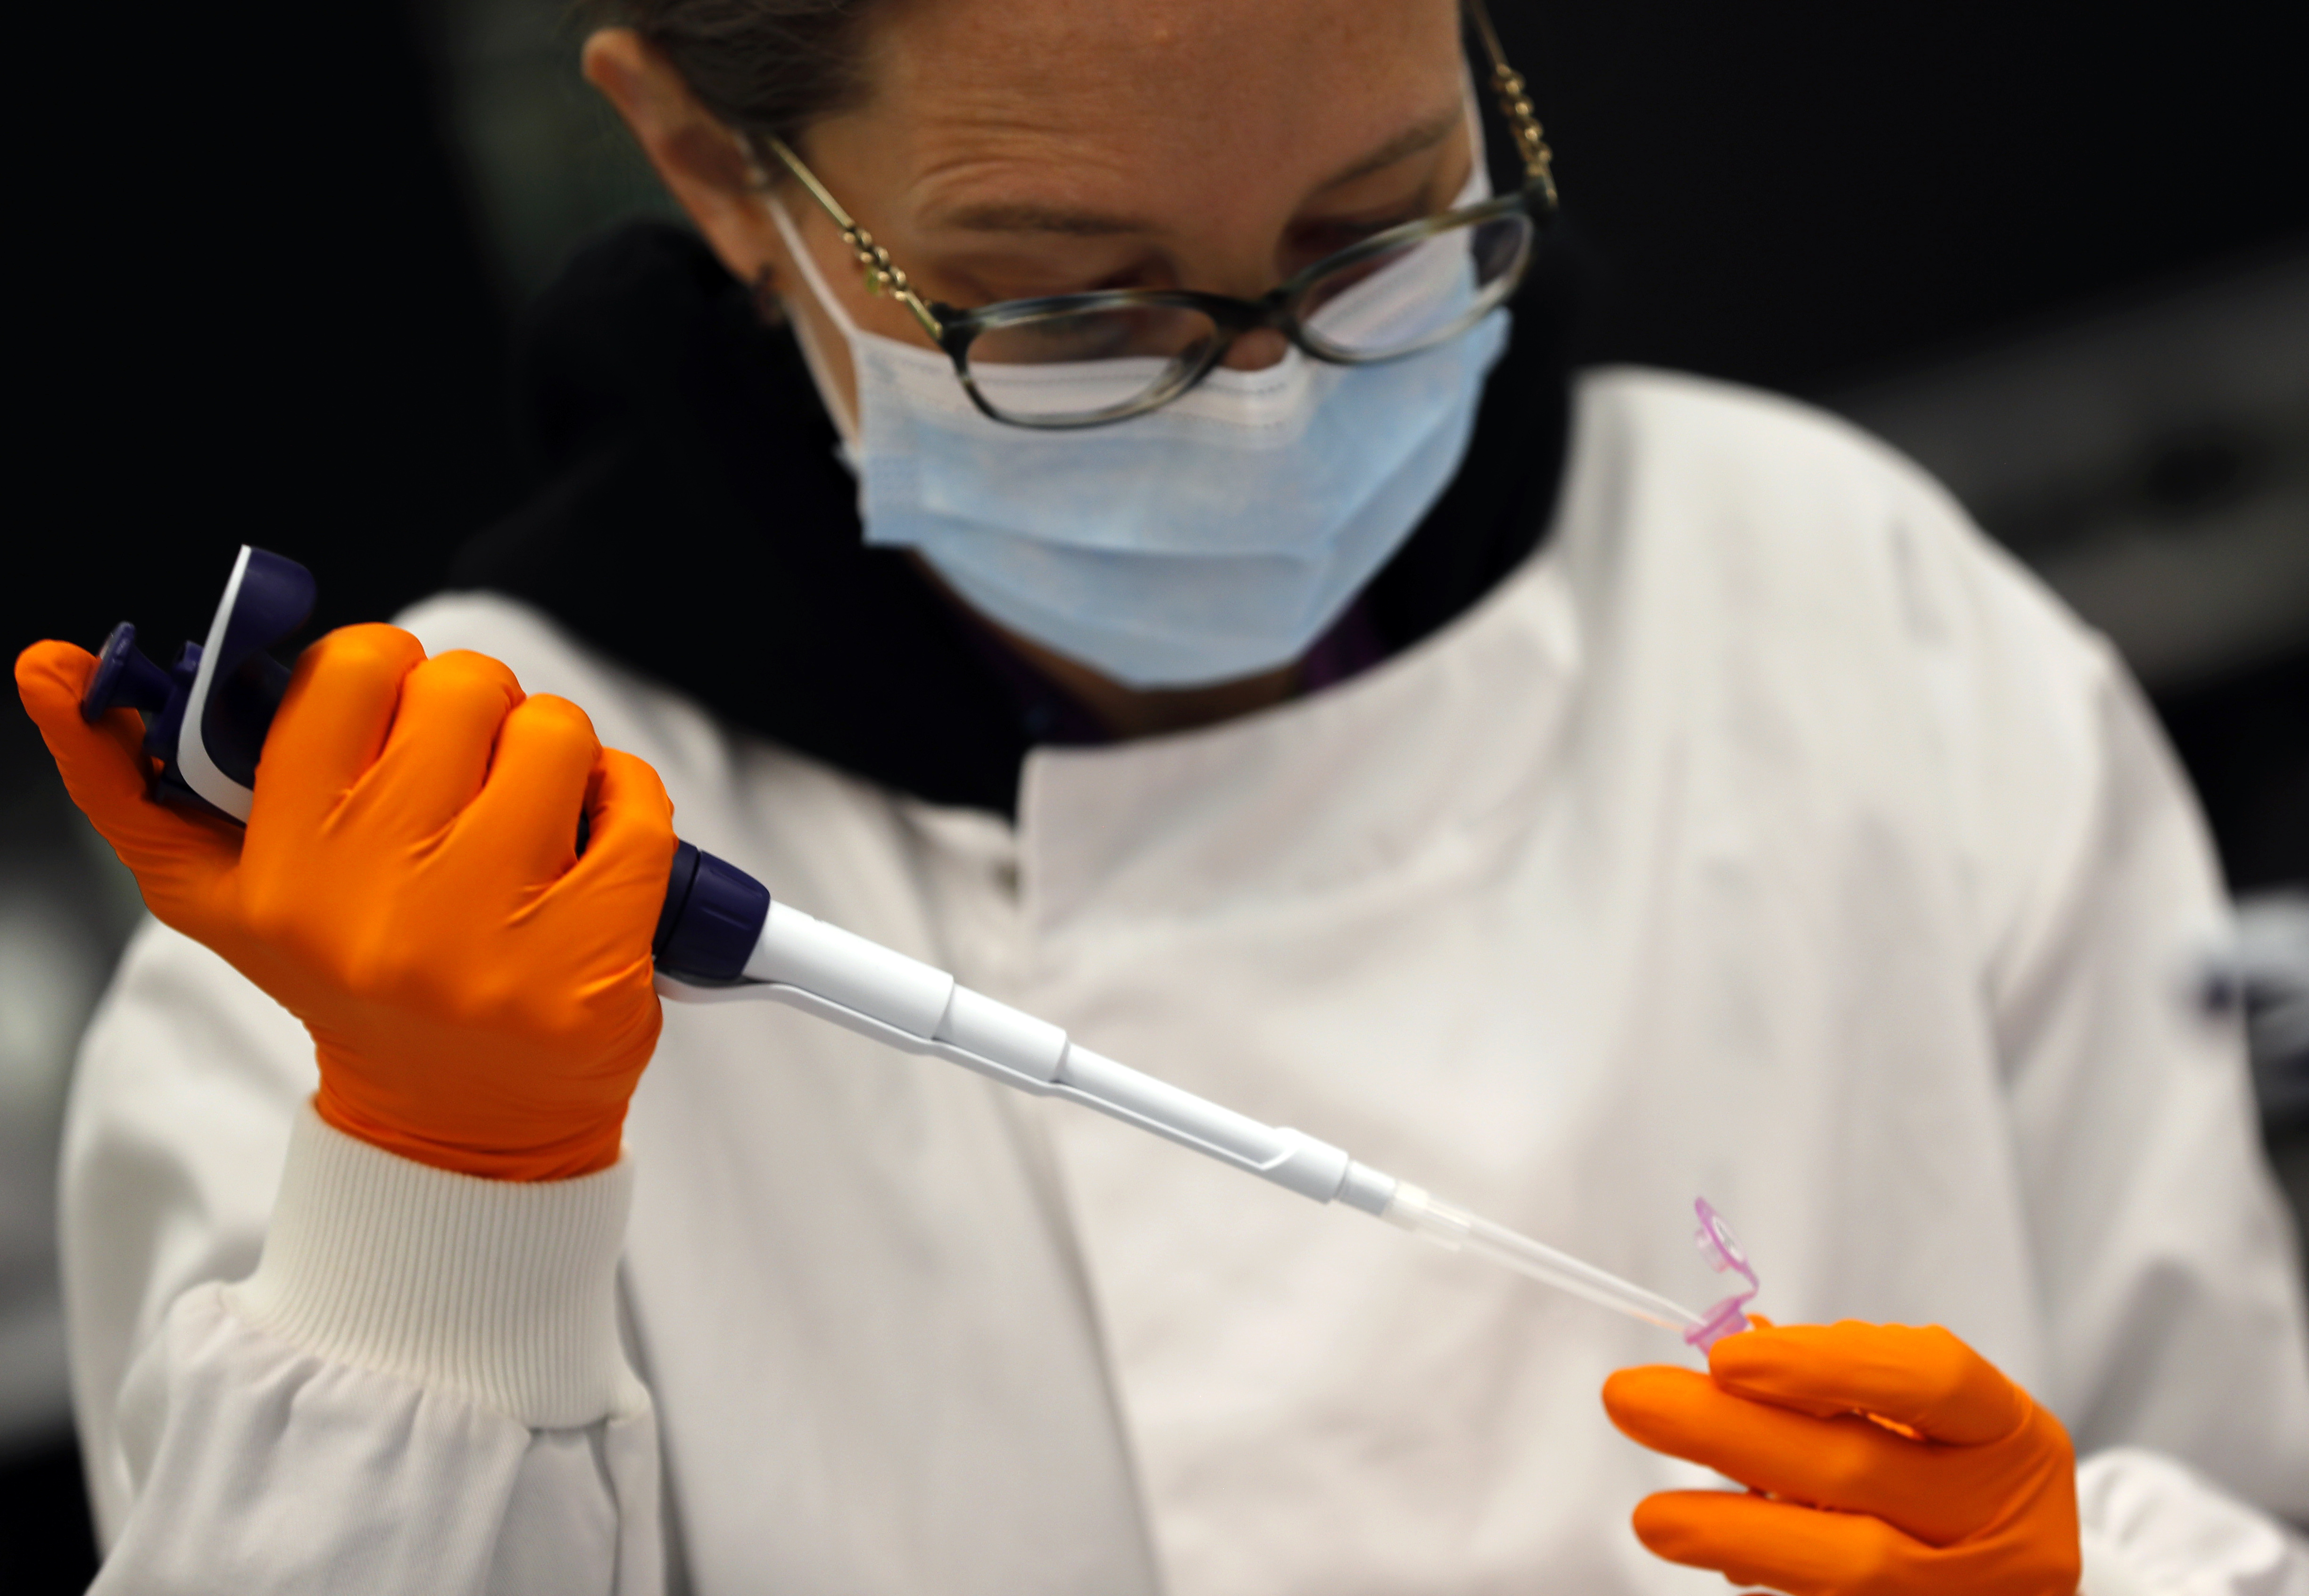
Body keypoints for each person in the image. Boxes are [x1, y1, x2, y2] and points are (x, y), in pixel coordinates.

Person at [16, 0, 2309, 1589]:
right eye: (1071, 311)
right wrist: (438, 1223)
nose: (1262, 409)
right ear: (719, 168)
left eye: (1378, 231)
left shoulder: (1847, 609)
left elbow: (2230, 1487)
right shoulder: (421, 906)